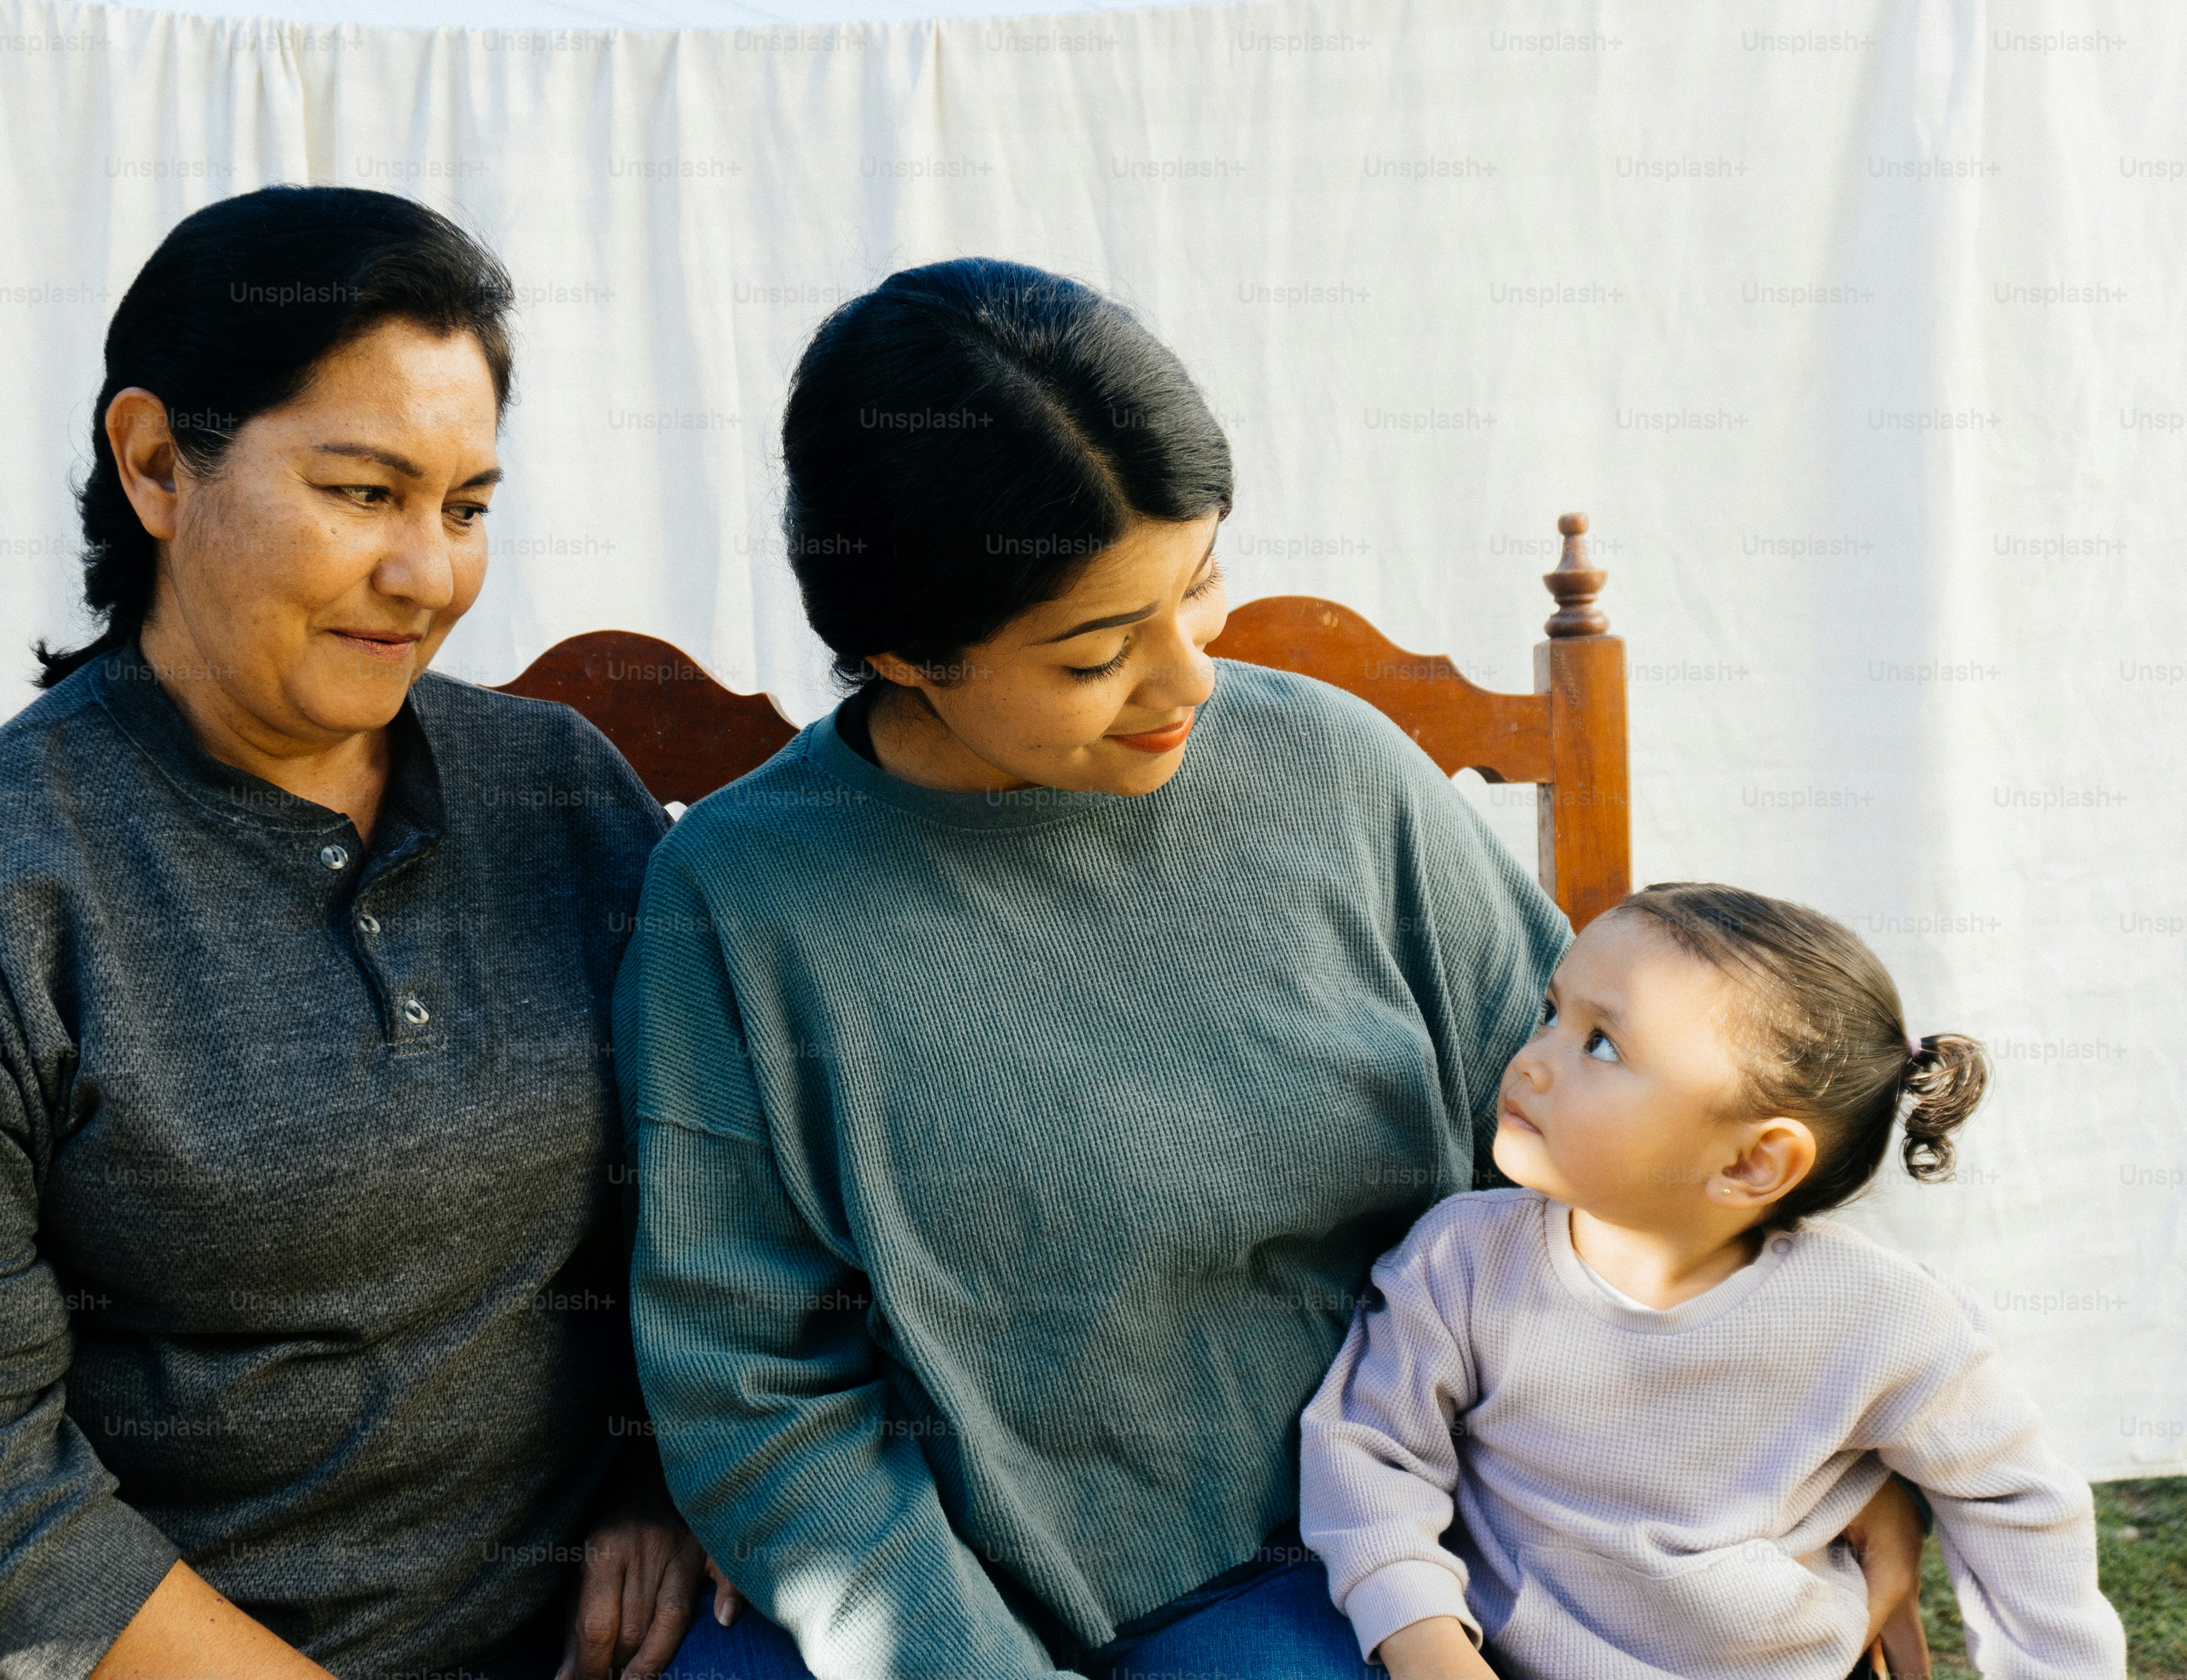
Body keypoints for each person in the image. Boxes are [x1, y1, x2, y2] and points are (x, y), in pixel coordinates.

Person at [616, 262, 1930, 1679]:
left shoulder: (1333, 770)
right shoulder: (737, 903)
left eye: (1199, 589)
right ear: (901, 652)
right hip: (920, 1585)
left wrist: (1831, 1410)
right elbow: (752, 1384)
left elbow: (1633, 1142)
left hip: (1340, 1553)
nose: (1187, 682)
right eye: (1096, 654)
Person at [0, 186, 721, 1680]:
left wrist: (653, 1470)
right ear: (157, 464)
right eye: (364, 493)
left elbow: (701, 1202)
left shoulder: (558, 795)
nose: (430, 572)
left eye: (466, 505)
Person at [1301, 884, 2126, 1679]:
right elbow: (1368, 1452)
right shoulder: (1461, 1262)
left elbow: (2016, 1499)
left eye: (1600, 1045)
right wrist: (1425, 1642)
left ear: (1751, 1161)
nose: (1533, 1062)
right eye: (1552, 1013)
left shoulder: (1885, 1315)